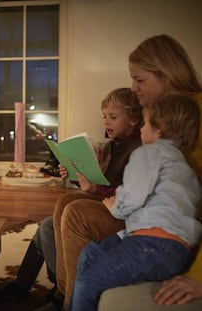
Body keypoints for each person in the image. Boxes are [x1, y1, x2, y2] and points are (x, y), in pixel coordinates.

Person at [49, 34, 202, 311]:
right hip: (156, 214)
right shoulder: (150, 130)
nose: (133, 88)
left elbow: (135, 190)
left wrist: (199, 276)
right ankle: (64, 295)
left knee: (76, 213)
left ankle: (72, 300)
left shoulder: (163, 135)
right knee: (65, 203)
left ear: (167, 74)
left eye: (140, 80)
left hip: (163, 226)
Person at [0, 87, 143, 302]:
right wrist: (74, 175)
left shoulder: (139, 150)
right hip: (103, 202)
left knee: (50, 224)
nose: (106, 122)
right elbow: (96, 182)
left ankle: (59, 292)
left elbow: (126, 193)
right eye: (104, 116)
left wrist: (95, 189)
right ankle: (36, 286)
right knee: (52, 218)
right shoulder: (110, 147)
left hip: (121, 212)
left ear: (133, 119)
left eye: (113, 117)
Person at [68, 95, 201, 311]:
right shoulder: (185, 167)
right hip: (176, 250)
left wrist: (115, 207)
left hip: (152, 246)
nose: (142, 128)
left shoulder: (149, 152)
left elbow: (133, 195)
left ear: (160, 128)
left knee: (87, 282)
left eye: (146, 123)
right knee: (90, 253)